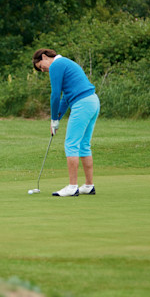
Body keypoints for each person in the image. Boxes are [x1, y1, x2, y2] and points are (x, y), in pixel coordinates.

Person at [32, 48, 100, 197]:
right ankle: (88, 185)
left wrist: (53, 119)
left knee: (71, 144)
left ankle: (72, 187)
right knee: (83, 145)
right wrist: (57, 119)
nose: (44, 71)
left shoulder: (57, 65)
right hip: (92, 101)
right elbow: (65, 98)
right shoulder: (66, 63)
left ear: (44, 57)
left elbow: (55, 95)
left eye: (42, 67)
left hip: (82, 104)